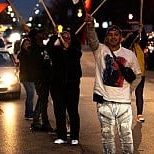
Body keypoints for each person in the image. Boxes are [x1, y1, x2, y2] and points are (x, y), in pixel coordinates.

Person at [85, 13, 141, 154]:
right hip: (104, 102)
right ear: (106, 37)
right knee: (107, 137)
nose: (113, 37)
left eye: (116, 34)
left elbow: (138, 76)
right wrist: (90, 26)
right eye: (110, 34)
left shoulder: (129, 54)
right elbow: (92, 40)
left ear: (121, 37)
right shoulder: (100, 50)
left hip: (123, 103)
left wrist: (129, 91)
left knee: (126, 136)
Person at [46, 31, 82, 146]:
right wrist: (55, 36)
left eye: (68, 38)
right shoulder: (56, 52)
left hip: (72, 87)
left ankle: (74, 137)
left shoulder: (75, 52)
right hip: (57, 87)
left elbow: (77, 50)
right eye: (64, 38)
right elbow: (48, 47)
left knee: (73, 112)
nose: (66, 40)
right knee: (59, 112)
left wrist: (69, 45)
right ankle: (61, 136)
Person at [27, 28, 53, 132]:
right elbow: (37, 65)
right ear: (36, 36)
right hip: (40, 78)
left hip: (47, 77)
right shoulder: (34, 49)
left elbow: (50, 47)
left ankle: (37, 121)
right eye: (41, 33)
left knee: (43, 99)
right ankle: (42, 122)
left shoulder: (43, 47)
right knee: (43, 99)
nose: (44, 34)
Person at [123, 27, 148, 123]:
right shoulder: (125, 47)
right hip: (128, 75)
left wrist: (143, 30)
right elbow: (128, 40)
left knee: (139, 94)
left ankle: (139, 114)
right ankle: (124, 114)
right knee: (125, 95)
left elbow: (145, 39)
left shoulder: (139, 46)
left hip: (140, 75)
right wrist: (136, 32)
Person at [16, 37, 35, 120]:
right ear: (22, 45)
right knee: (30, 94)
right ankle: (29, 113)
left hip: (31, 77)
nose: (28, 45)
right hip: (25, 77)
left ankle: (29, 112)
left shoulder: (32, 53)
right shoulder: (22, 54)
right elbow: (24, 64)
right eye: (26, 44)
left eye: (29, 44)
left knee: (31, 95)